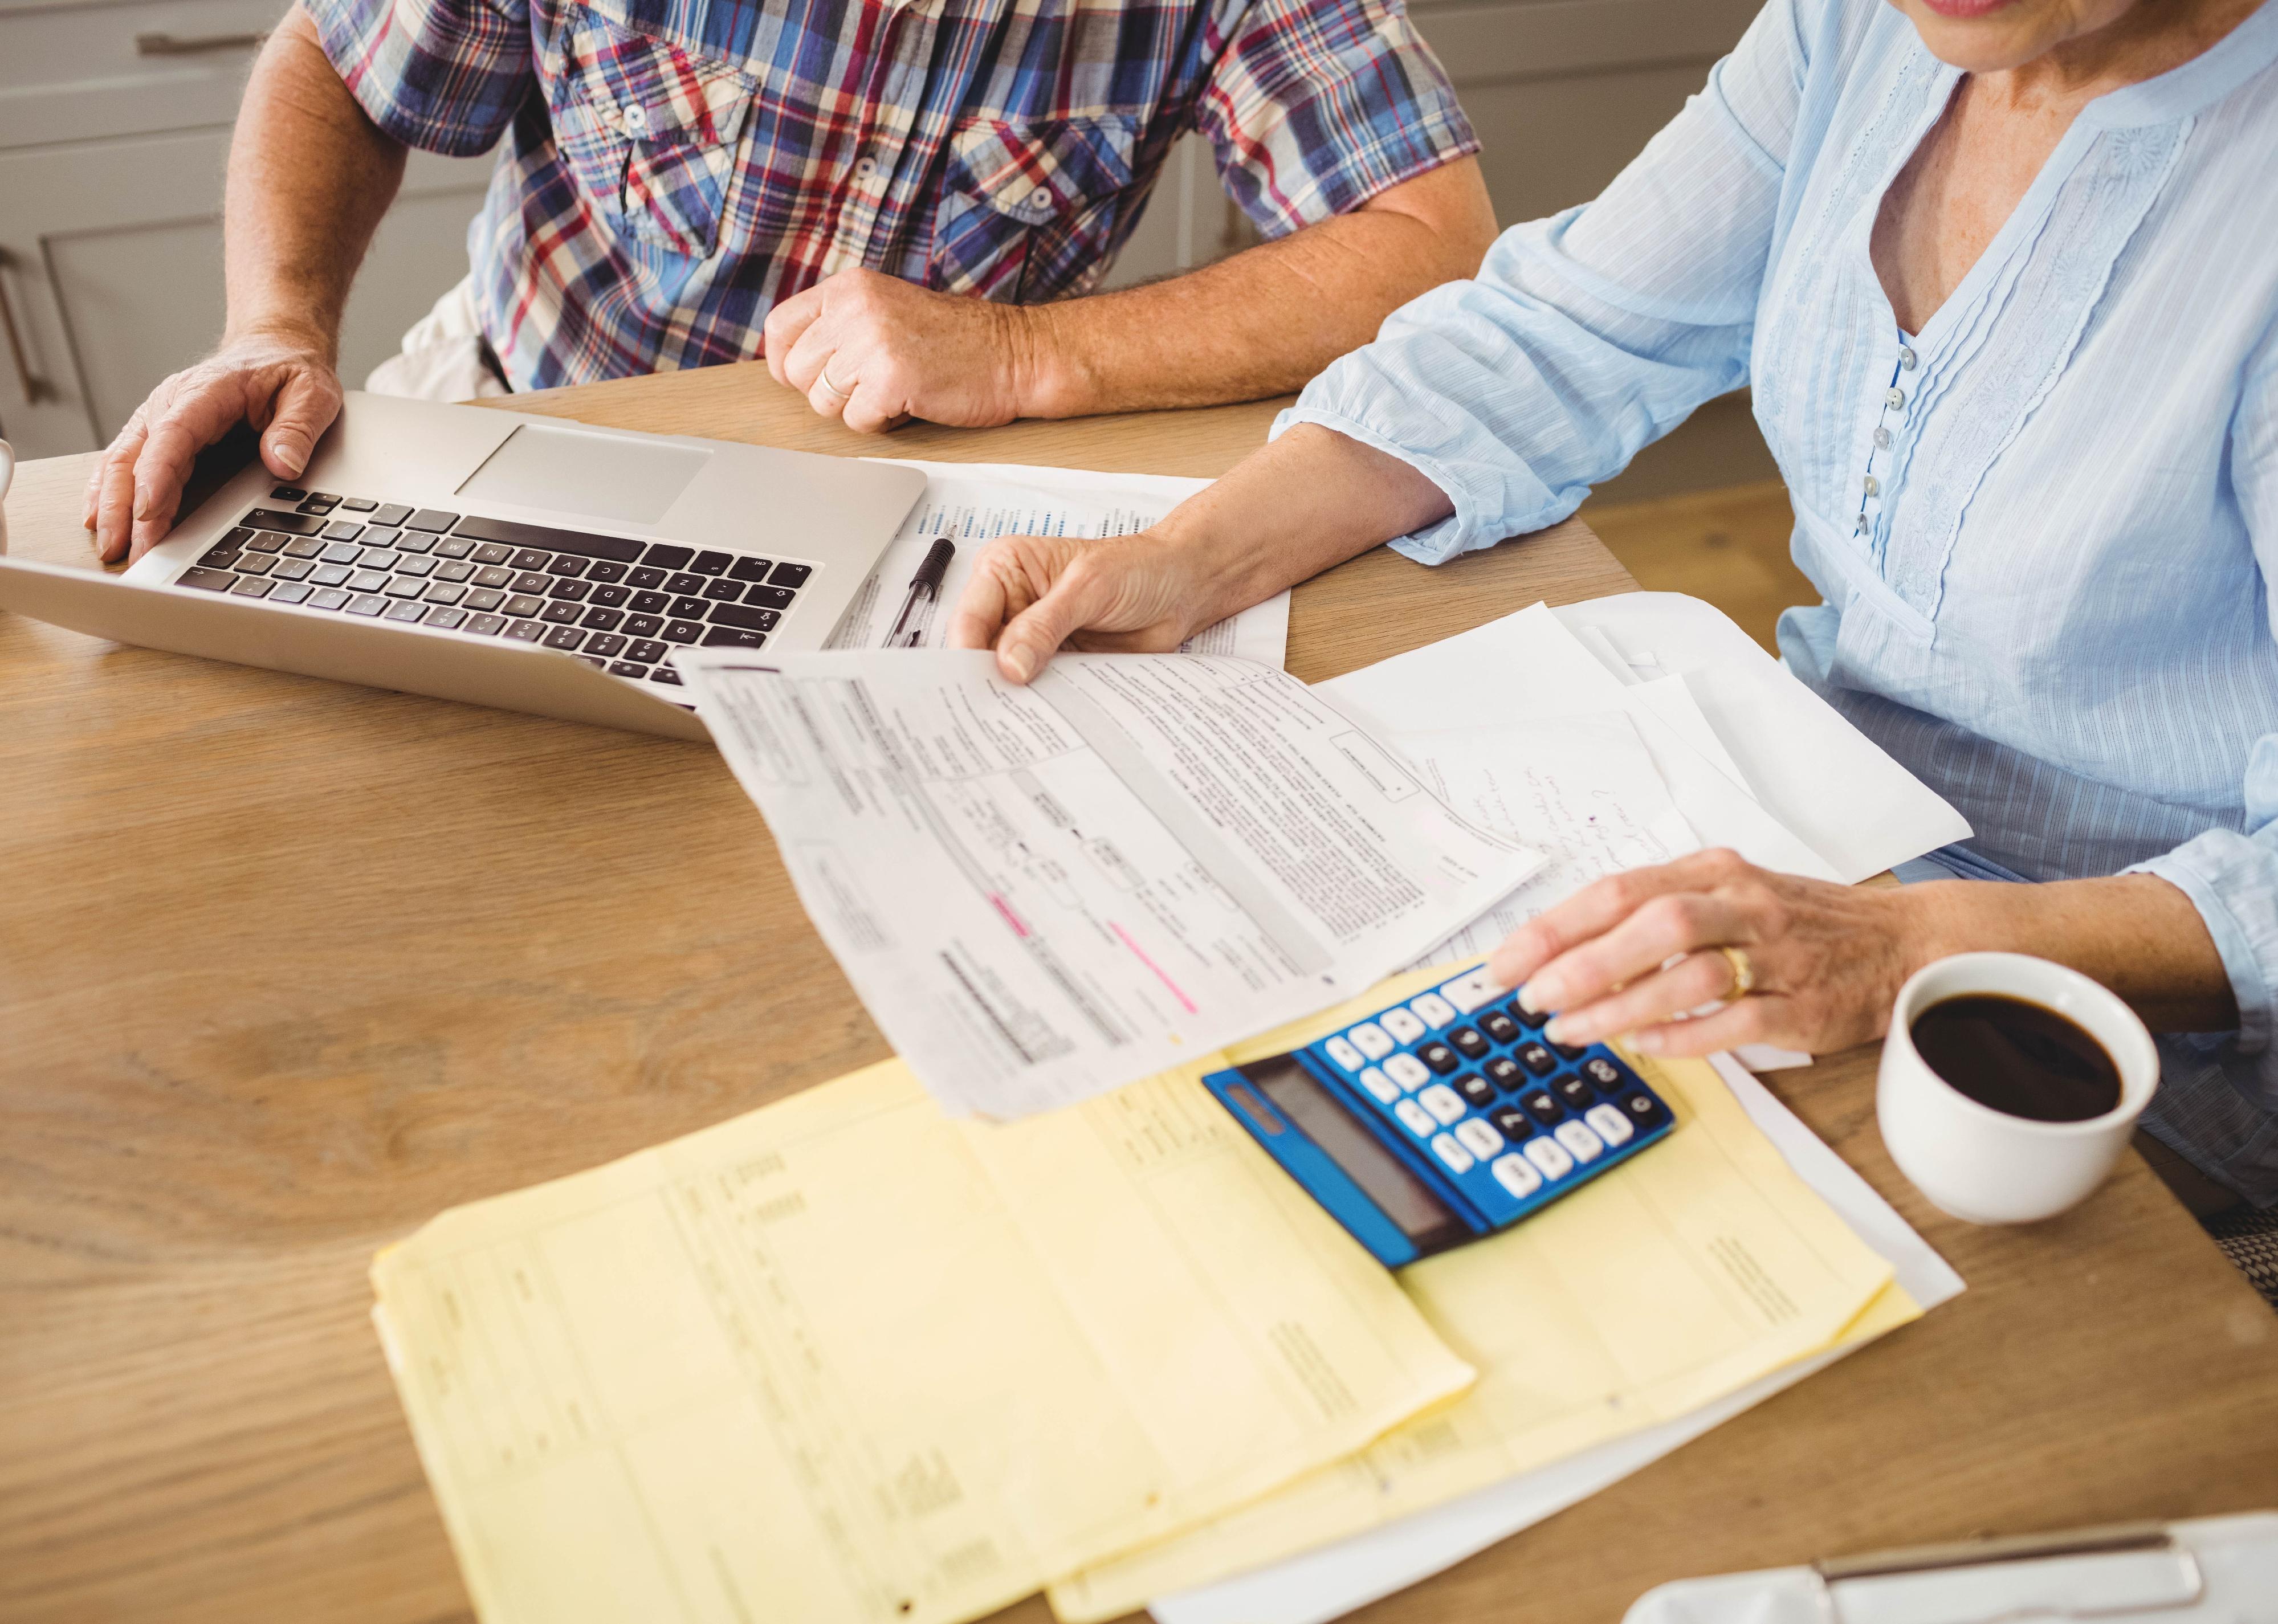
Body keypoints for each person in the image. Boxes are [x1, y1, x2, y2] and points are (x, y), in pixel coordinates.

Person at [949, 0, 2278, 1205]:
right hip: (1804, 839)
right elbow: (1565, 332)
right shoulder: (1854, 32)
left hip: (2113, 1025)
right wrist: (1192, 555)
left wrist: (1900, 944)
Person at [87, 0, 1495, 564]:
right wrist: (273, 322)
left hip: (916, 505)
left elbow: (1433, 235)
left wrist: (1018, 355)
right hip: (511, 421)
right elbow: (339, 64)